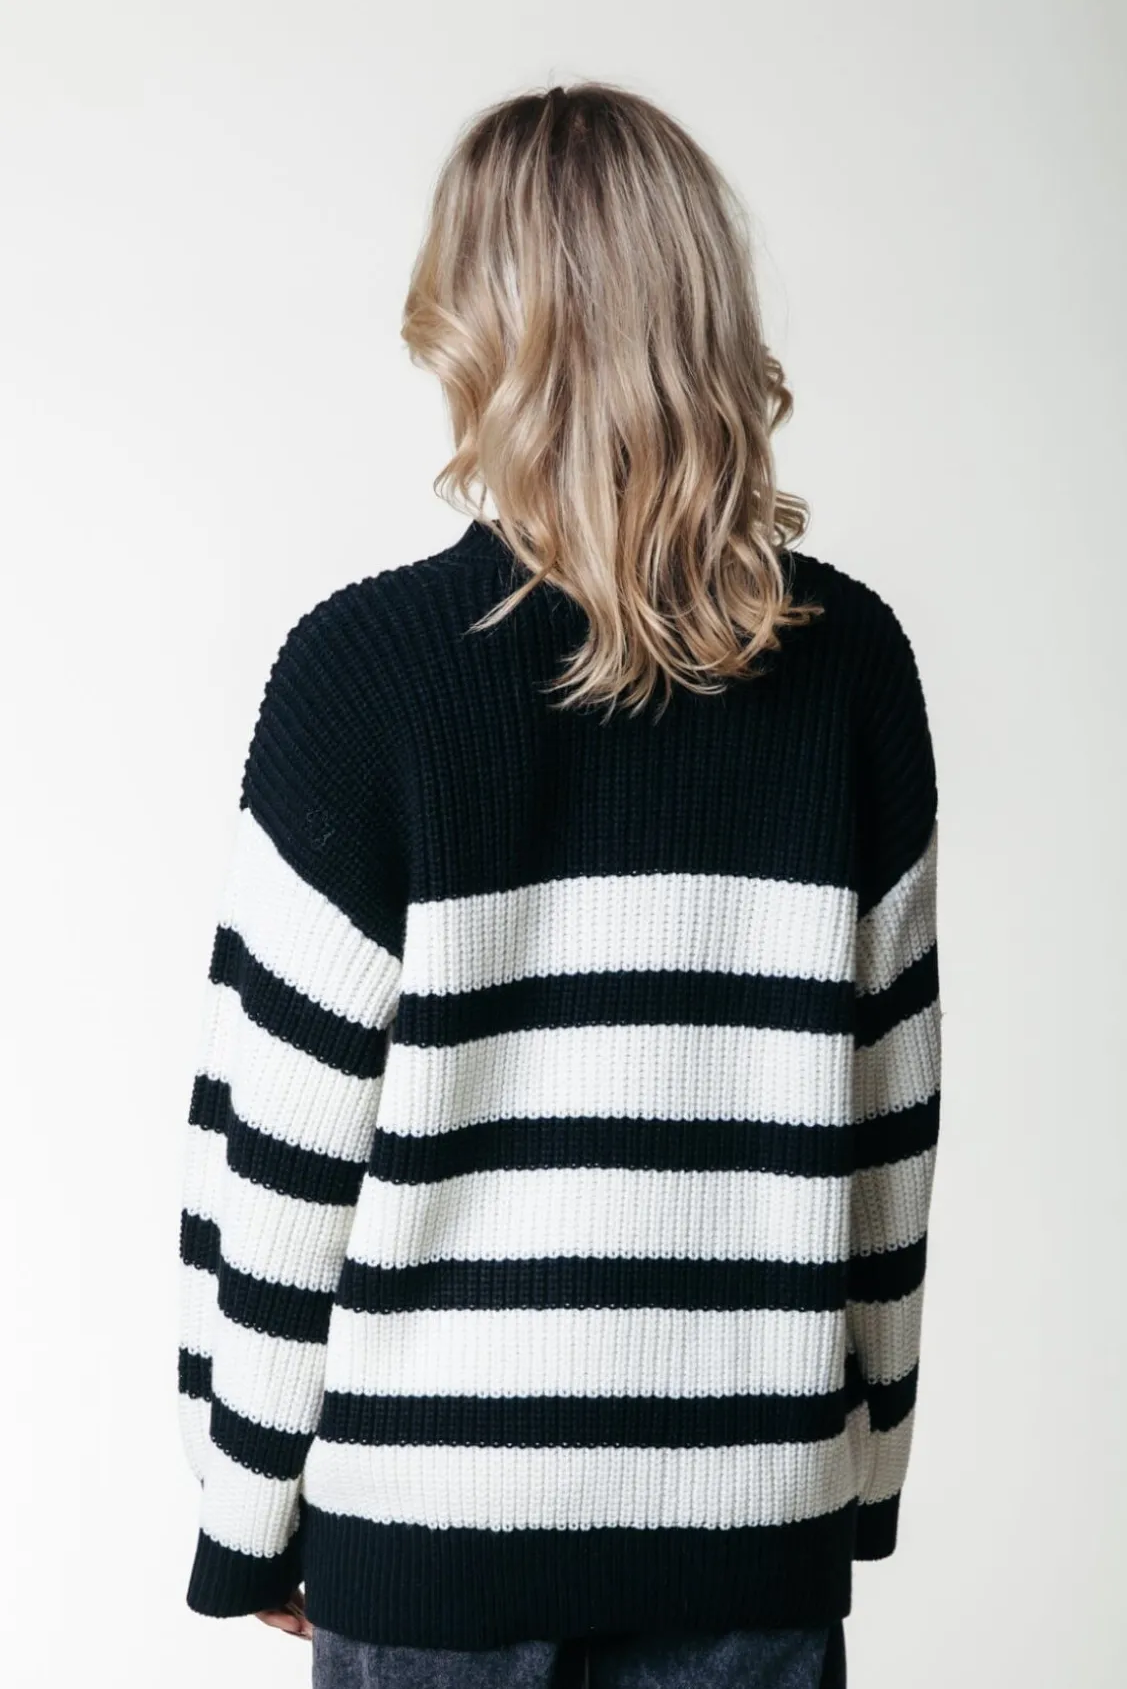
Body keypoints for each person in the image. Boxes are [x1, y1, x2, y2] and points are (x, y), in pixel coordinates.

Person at [176, 81, 940, 1689]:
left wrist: (245, 1511)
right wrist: (854, 1476)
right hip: (747, 1533)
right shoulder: (851, 670)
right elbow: (888, 1140)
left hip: (430, 1546)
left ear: (469, 324)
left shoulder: (360, 676)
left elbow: (276, 1160)